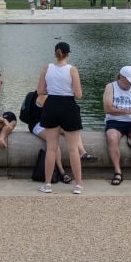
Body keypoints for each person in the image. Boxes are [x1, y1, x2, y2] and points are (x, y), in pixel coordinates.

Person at [36, 41, 84, 194]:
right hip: (68, 106)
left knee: (51, 148)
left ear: (55, 53)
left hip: (51, 106)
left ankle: (48, 184)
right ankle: (78, 185)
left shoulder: (46, 68)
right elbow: (78, 94)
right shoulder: (72, 70)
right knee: (73, 149)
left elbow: (40, 91)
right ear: (68, 54)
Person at [19, 90, 98, 184]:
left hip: (48, 122)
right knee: (55, 145)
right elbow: (52, 112)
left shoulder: (50, 93)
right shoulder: (43, 95)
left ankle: (82, 152)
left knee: (73, 131)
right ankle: (62, 172)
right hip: (37, 124)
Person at [104, 65, 131, 186]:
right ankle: (118, 172)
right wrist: (127, 111)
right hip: (114, 121)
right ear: (122, 78)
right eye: (129, 81)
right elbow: (108, 108)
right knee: (112, 138)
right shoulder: (111, 87)